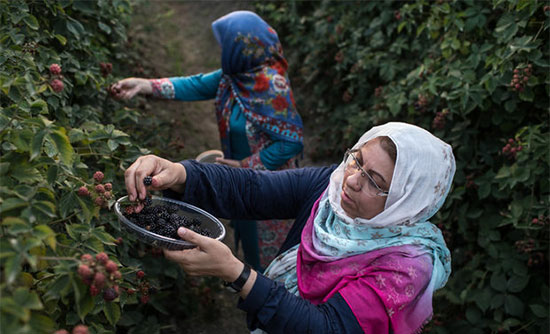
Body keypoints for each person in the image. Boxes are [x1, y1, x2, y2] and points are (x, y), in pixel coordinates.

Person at [124, 122, 456, 333]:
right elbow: (253, 189)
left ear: (406, 202)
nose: (353, 180)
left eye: (374, 181)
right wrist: (182, 174)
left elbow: (328, 328)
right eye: (357, 159)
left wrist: (239, 275)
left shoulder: (406, 268)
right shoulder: (329, 190)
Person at [112, 11, 304, 271]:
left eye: (226, 46)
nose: (222, 51)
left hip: (268, 184)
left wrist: (246, 164)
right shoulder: (235, 76)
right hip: (240, 181)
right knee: (247, 234)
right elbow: (195, 85)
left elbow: (291, 142)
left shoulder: (272, 88)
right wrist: (145, 86)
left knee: (269, 254)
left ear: (240, 50)